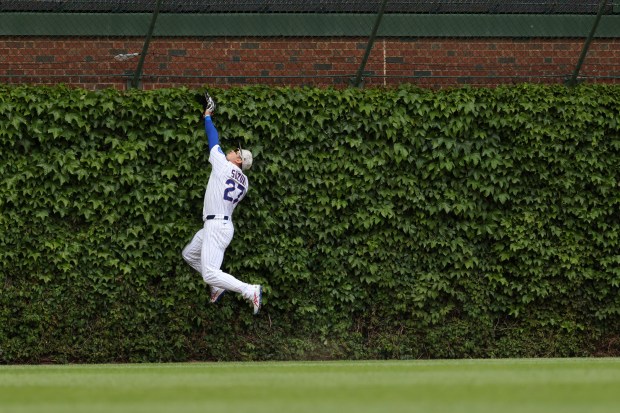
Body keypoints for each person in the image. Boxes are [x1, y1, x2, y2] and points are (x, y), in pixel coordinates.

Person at [182, 92, 262, 315]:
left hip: (217, 227)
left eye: (236, 151)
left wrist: (208, 115)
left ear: (239, 160)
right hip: (218, 225)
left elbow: (213, 139)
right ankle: (217, 286)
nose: (232, 150)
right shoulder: (244, 182)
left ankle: (249, 290)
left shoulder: (223, 166)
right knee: (189, 254)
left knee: (208, 272)